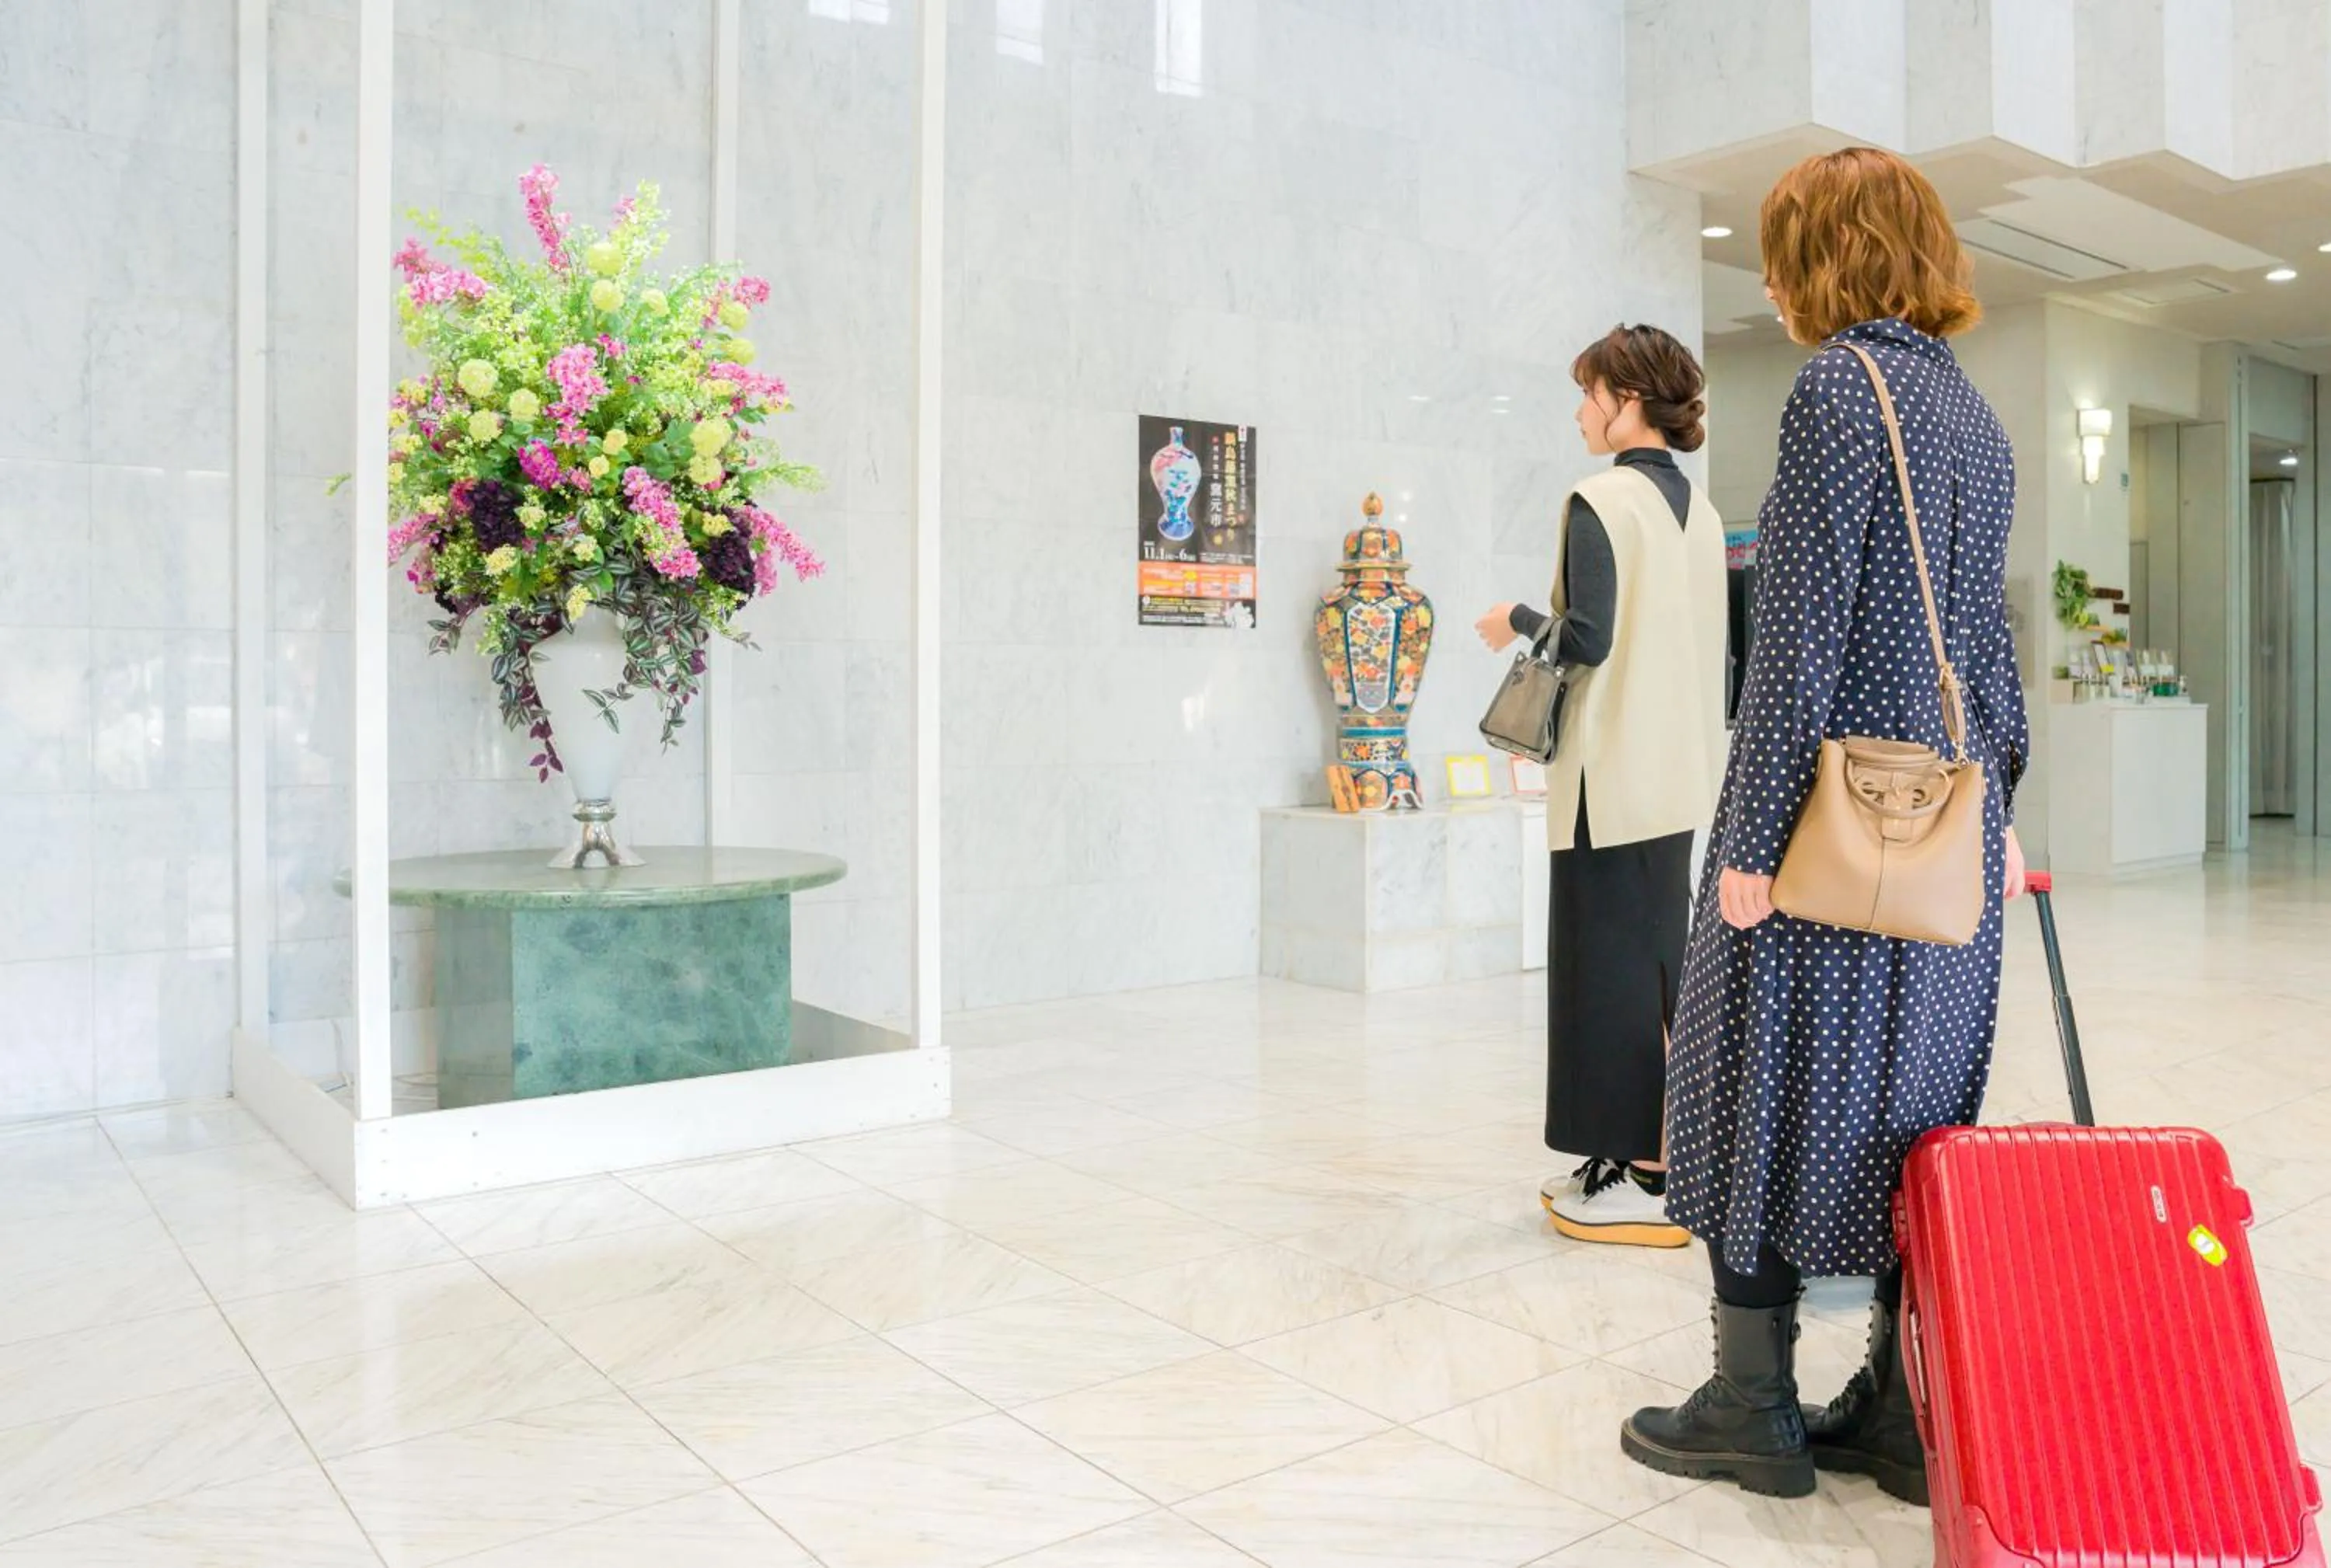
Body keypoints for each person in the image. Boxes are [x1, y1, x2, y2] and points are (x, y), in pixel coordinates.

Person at [1620, 147, 2030, 1502]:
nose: (1772, 276)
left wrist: (1746, 851)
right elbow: (1993, 641)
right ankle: (1904, 1410)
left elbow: (1796, 638)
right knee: (1912, 1113)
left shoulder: (1838, 391)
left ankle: (1753, 1401)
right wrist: (2002, 807)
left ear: (1824, 258)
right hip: (1950, 831)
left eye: (1783, 248)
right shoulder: (1975, 415)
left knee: (1756, 1086)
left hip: (1831, 829)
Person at [1476, 324, 1727, 1251]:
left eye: (1589, 394)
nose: (1581, 412)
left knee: (1605, 980)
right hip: (1682, 774)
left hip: (1608, 777)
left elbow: (1587, 639)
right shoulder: (1696, 511)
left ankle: (1643, 1169)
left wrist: (1514, 618)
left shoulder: (1599, 498)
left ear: (1627, 399)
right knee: (1658, 973)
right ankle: (1653, 1159)